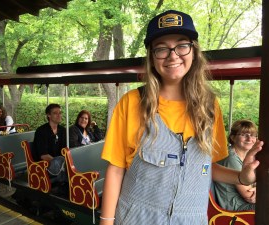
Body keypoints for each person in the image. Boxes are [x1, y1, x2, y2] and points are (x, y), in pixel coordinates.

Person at [99, 10, 263, 225]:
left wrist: (242, 176)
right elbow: (116, 168)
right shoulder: (131, 102)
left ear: (194, 52)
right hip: (136, 218)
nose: (172, 55)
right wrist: (106, 222)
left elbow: (206, 167)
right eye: (161, 49)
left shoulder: (209, 107)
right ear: (152, 57)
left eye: (181, 45)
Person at [214, 119, 257, 211]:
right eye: (244, 135)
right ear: (233, 137)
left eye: (253, 135)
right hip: (237, 207)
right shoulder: (231, 158)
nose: (249, 139)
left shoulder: (247, 156)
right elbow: (249, 196)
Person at [33, 103, 67, 183]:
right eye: (55, 113)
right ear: (48, 115)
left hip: (60, 163)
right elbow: (43, 155)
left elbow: (65, 149)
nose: (59, 115)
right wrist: (60, 163)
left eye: (60, 113)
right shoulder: (41, 131)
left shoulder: (62, 130)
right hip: (44, 164)